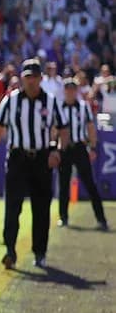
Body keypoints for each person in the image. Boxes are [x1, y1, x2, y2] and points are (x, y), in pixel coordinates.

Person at [0, 59, 69, 268]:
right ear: (22, 78)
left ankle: (40, 252)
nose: (31, 81)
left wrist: (57, 152)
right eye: (27, 77)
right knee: (12, 207)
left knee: (41, 208)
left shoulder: (51, 102)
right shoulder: (11, 101)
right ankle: (10, 251)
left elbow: (63, 130)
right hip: (18, 159)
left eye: (34, 77)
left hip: (42, 159)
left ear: (41, 78)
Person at [57, 78, 107, 230]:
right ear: (64, 91)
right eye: (68, 89)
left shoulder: (83, 107)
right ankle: (63, 217)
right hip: (64, 148)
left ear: (76, 91)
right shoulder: (59, 107)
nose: (70, 92)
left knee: (90, 183)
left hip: (79, 146)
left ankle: (101, 219)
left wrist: (92, 147)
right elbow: (54, 128)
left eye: (73, 89)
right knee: (63, 184)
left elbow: (91, 127)